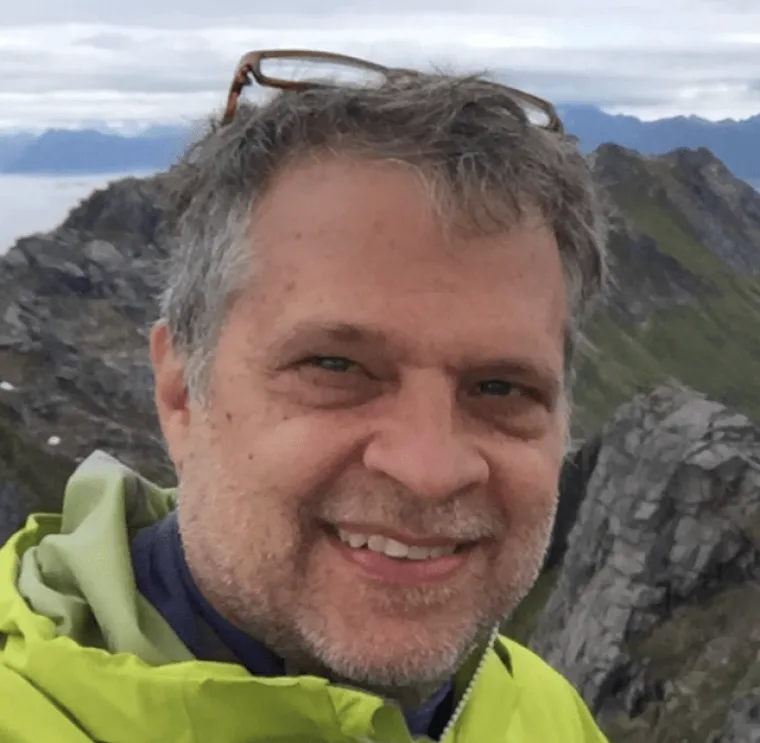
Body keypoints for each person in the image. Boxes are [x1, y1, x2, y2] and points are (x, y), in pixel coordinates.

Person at [0, 49, 609, 742]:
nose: (429, 468)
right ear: (179, 393)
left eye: (501, 387)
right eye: (336, 366)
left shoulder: (545, 712)